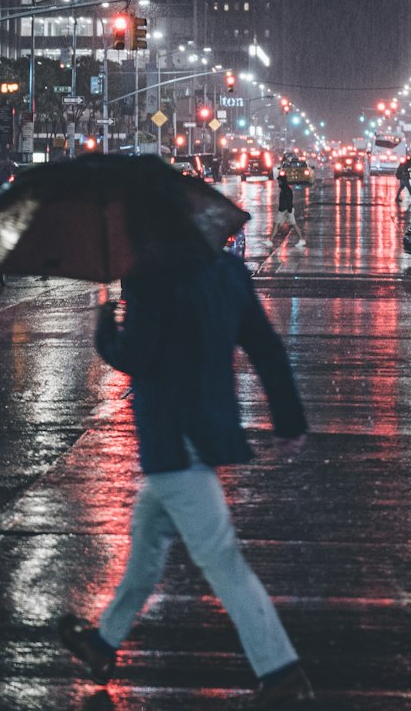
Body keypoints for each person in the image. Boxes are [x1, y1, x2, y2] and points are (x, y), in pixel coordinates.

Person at [58, 200, 313, 705]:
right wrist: (288, 418)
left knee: (222, 560)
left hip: (172, 440)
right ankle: (103, 644)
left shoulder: (153, 280)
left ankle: (281, 670)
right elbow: (265, 347)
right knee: (145, 552)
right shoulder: (228, 273)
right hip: (204, 432)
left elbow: (136, 355)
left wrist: (105, 325)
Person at [273, 172, 305, 249]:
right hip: (283, 211)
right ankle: (270, 241)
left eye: (279, 181)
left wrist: (289, 210)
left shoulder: (286, 190)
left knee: (293, 224)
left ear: (282, 181)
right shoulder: (284, 189)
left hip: (287, 210)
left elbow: (288, 200)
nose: (278, 182)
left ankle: (301, 239)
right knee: (276, 223)